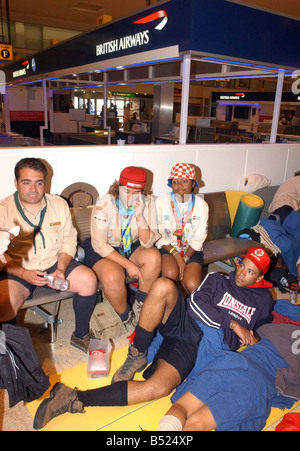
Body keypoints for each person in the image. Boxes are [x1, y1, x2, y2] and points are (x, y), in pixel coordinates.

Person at [32, 247, 274, 430]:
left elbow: (263, 330)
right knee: (163, 286)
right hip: (188, 326)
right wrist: (233, 324)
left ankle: (72, 397)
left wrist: (253, 338)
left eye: (250, 271)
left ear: (260, 277)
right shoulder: (218, 280)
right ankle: (136, 353)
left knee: (158, 388)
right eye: (242, 265)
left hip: (206, 350)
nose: (241, 272)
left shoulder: (263, 301)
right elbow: (197, 306)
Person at [0, 158, 98, 352]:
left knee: (89, 280)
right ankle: (11, 355)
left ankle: (80, 335)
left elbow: (69, 241)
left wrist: (61, 269)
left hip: (54, 264)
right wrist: (23, 274)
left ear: (46, 182)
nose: (33, 189)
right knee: (4, 304)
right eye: (26, 182)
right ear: (16, 182)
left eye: (39, 182)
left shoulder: (58, 204)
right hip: (18, 269)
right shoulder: (3, 210)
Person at [156, 323, 299, 432]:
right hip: (255, 385)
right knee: (197, 423)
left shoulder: (289, 329)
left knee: (182, 406)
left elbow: (259, 340)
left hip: (231, 363)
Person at [83, 166, 161, 330]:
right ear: (118, 187)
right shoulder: (105, 203)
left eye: (136, 192)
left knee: (153, 257)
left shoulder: (148, 203)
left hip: (130, 245)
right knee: (113, 276)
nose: (130, 198)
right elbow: (99, 244)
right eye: (126, 191)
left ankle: (140, 307)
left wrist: (140, 217)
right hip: (104, 247)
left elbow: (147, 243)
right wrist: (128, 264)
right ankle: (126, 316)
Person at [155, 163, 208, 294]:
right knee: (170, 276)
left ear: (193, 183)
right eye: (175, 182)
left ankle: (188, 307)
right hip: (168, 247)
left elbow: (199, 237)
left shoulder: (202, 205)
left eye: (185, 181)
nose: (179, 185)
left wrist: (184, 258)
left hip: (191, 250)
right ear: (170, 184)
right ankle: (172, 307)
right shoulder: (161, 202)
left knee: (192, 284)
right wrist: (177, 256)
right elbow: (158, 234)